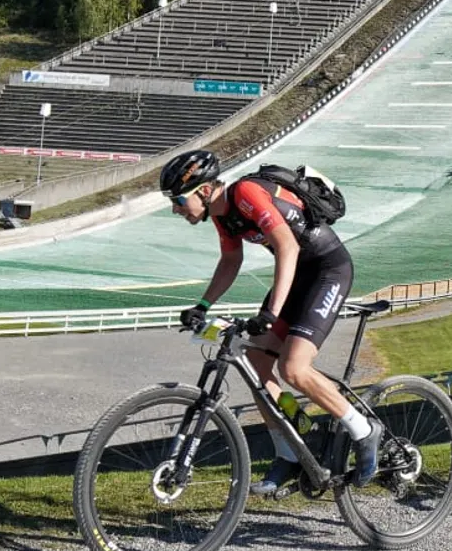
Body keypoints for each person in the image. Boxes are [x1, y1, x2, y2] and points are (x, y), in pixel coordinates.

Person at [161, 149, 379, 495]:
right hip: (298, 277)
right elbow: (230, 261)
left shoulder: (246, 194)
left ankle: (363, 429)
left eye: (177, 200)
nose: (175, 209)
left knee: (294, 368)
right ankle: (292, 447)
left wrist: (271, 313)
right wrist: (202, 305)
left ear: (202, 190)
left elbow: (288, 247)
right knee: (257, 365)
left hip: (327, 271)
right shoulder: (222, 216)